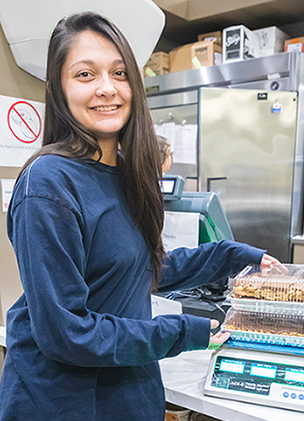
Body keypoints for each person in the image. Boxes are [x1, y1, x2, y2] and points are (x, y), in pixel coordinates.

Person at [0, 11, 280, 421]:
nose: (107, 89)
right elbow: (67, 334)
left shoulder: (126, 173)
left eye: (119, 73)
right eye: (84, 75)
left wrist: (233, 256)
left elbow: (133, 268)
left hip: (129, 394)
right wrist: (188, 331)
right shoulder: (48, 184)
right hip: (63, 403)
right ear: (57, 89)